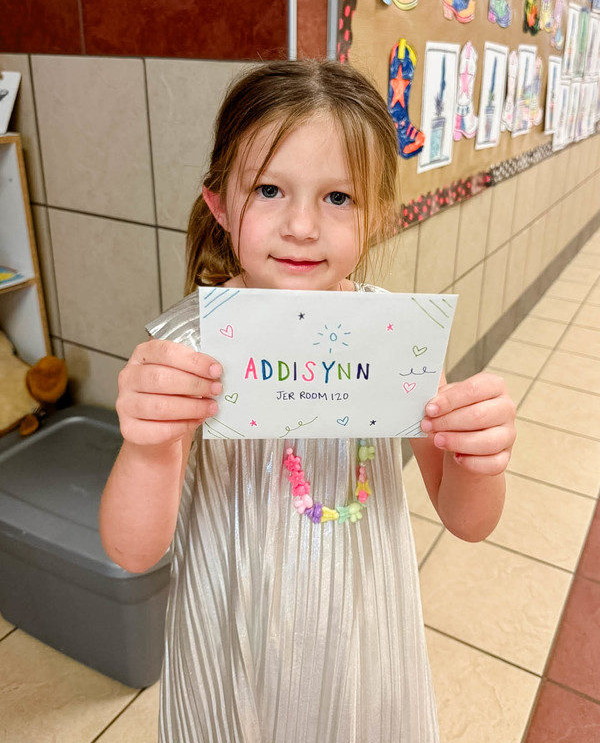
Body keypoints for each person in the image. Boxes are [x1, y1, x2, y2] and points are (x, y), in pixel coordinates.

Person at [100, 60, 516, 743]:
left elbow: (468, 521)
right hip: (229, 639)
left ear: (377, 214)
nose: (301, 225)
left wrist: (478, 457)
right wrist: (149, 445)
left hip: (360, 637)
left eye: (338, 198)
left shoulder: (395, 340)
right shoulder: (187, 348)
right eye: (269, 189)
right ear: (221, 205)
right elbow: (133, 550)